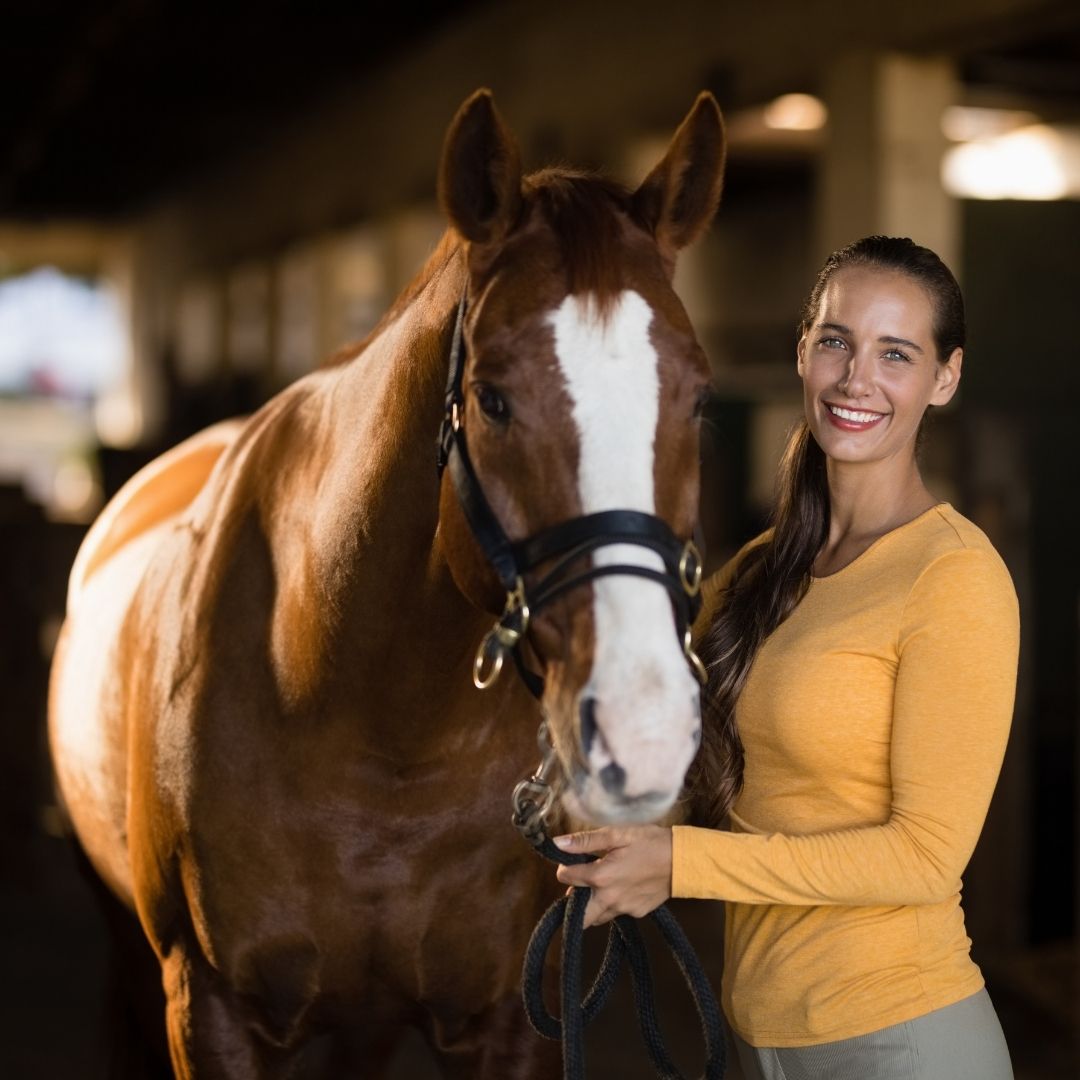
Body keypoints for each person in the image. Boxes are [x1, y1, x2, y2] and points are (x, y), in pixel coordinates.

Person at [553, 235, 1021, 1079]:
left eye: (897, 354)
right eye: (837, 341)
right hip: (763, 1036)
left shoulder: (954, 579)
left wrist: (681, 864)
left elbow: (922, 856)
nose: (856, 379)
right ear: (804, 351)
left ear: (943, 379)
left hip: (900, 1039)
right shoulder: (763, 568)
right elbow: (661, 729)